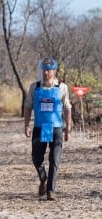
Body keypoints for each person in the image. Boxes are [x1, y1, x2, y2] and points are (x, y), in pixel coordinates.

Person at [24, 57, 72, 201]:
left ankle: (51, 190)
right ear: (41, 70)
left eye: (49, 70)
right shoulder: (35, 87)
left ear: (54, 71)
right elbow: (27, 106)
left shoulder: (62, 87)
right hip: (40, 127)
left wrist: (68, 128)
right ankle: (43, 178)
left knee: (54, 159)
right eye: (44, 70)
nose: (46, 73)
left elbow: (67, 107)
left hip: (56, 127)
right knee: (37, 159)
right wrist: (26, 125)